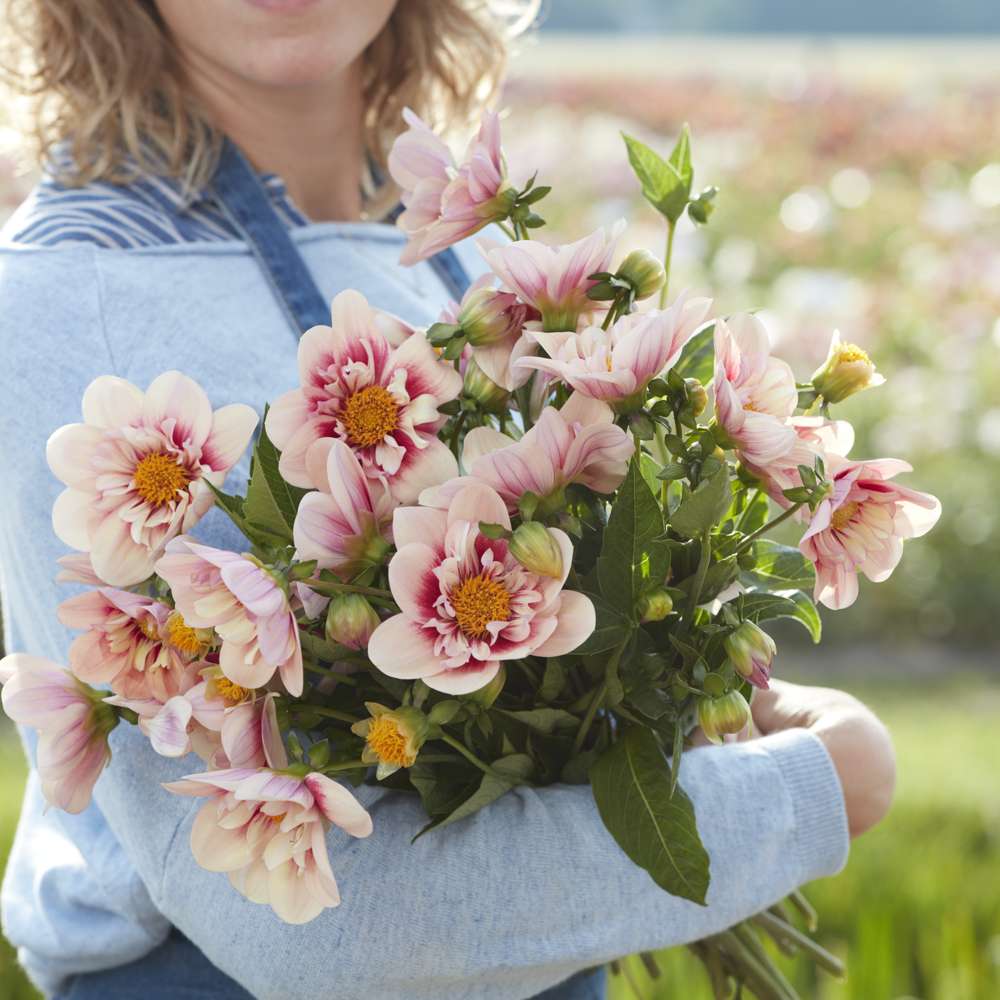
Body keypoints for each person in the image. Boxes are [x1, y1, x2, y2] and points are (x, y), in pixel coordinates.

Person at [0, 2, 896, 998]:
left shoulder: (450, 249)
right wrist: (815, 787)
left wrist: (690, 690)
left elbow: (563, 656)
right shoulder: (63, 294)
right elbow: (325, 931)